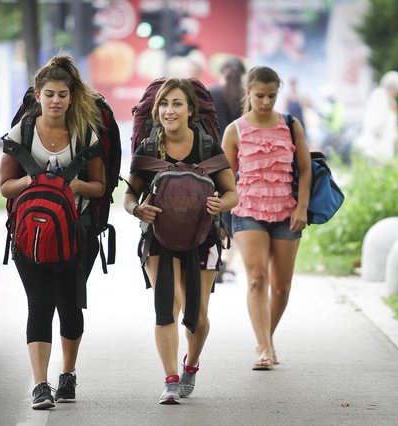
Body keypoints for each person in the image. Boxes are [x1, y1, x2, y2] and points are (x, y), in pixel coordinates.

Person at [0, 55, 105, 410]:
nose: (55, 100)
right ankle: (40, 385)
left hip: (77, 236)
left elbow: (100, 187)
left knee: (70, 305)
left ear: (71, 96)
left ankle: (68, 375)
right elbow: (4, 187)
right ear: (37, 95)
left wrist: (75, 184)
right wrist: (31, 181)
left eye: (62, 94)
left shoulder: (84, 134)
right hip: (30, 235)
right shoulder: (23, 133)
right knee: (40, 304)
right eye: (49, 94)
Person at [123, 78, 238, 404]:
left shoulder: (206, 148)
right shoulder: (148, 148)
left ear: (190, 110)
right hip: (157, 238)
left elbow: (232, 193)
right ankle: (170, 379)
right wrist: (137, 209)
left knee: (197, 314)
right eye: (163, 104)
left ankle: (191, 363)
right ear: (156, 110)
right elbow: (129, 195)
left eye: (176, 104)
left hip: (203, 238)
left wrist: (221, 204)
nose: (169, 110)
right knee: (166, 307)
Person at [221, 66, 312, 371]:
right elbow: (224, 178)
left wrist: (302, 207)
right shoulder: (235, 130)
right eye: (259, 95)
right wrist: (220, 220)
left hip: (287, 212)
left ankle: (266, 338)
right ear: (248, 93)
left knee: (282, 287)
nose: (265, 102)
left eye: (272, 95)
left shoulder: (290, 124)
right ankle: (263, 347)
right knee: (258, 278)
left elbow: (307, 169)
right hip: (247, 212)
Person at [208, 56, 247, 283]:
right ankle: (228, 264)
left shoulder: (211, 93)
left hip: (214, 162)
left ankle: (215, 261)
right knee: (236, 214)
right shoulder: (246, 97)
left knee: (216, 211)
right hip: (241, 165)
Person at [353, 70, 398, 163]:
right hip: (375, 148)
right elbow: (375, 122)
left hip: (384, 149)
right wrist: (379, 132)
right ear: (392, 87)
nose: (397, 93)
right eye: (397, 90)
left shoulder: (390, 100)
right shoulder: (379, 96)